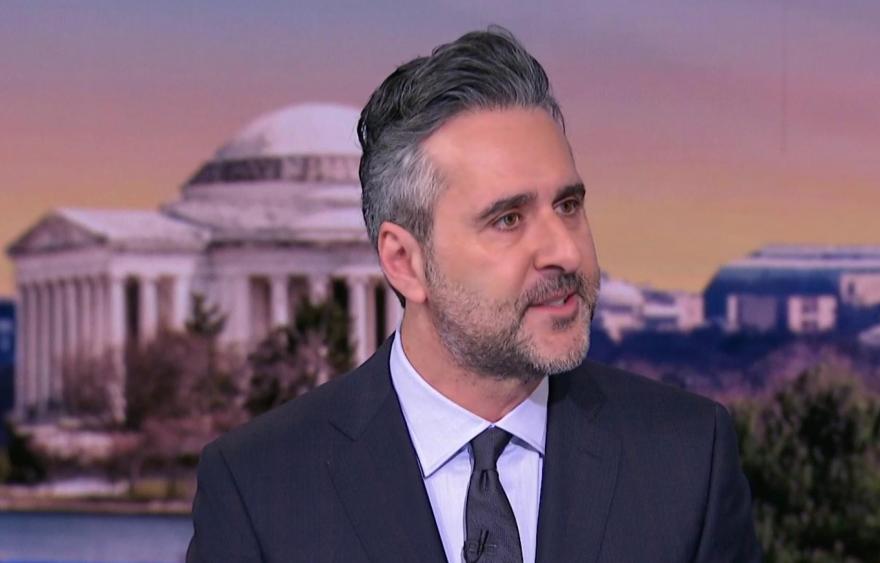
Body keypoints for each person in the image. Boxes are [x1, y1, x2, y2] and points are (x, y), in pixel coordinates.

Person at [187, 27, 761, 563]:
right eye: (508, 219)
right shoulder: (259, 488)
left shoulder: (688, 460)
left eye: (568, 205)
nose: (564, 251)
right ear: (404, 262)